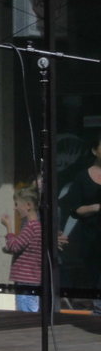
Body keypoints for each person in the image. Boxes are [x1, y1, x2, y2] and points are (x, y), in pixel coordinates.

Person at [61, 130, 101, 316]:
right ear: (94, 150)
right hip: (92, 239)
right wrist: (96, 207)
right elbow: (74, 209)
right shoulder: (82, 177)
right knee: (95, 276)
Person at [0, 184, 42, 312]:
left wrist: (8, 228)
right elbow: (25, 248)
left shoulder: (30, 227)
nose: (15, 208)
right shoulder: (37, 226)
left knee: (26, 313)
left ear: (28, 205)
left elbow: (14, 246)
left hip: (26, 280)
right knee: (31, 309)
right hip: (32, 278)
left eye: (17, 204)